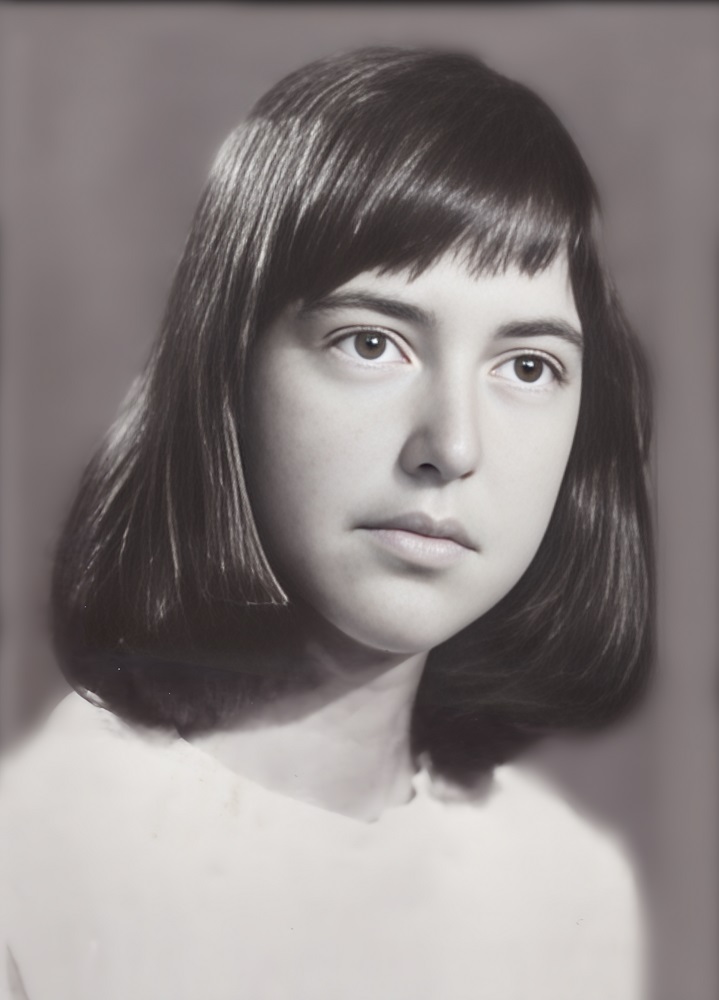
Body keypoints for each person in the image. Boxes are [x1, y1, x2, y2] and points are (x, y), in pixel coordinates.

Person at [0, 46, 653, 999]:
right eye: (371, 342)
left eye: (526, 366)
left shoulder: (567, 891)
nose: (452, 445)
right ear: (227, 367)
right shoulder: (41, 858)